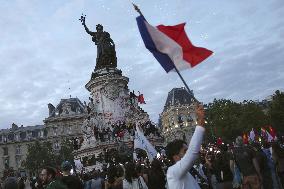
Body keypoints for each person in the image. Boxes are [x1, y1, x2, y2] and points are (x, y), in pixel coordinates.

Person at [165, 104, 205, 189]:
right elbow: (193, 153)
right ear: (176, 157)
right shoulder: (172, 171)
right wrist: (200, 120)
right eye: (185, 151)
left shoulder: (187, 171)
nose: (189, 152)